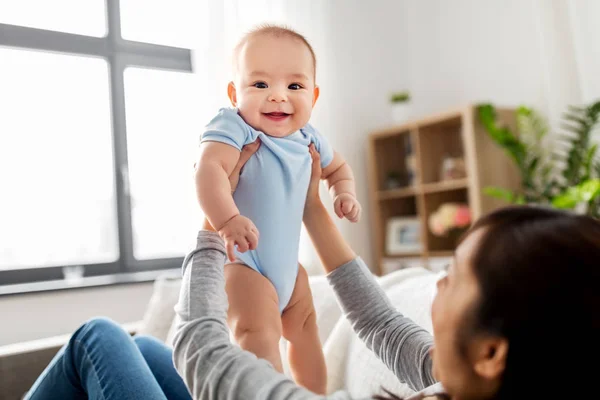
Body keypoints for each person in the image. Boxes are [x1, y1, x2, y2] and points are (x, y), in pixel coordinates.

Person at [26, 143, 600, 399]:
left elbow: (202, 350)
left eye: (455, 275)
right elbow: (379, 322)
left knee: (97, 339)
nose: (439, 281)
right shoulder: (467, 383)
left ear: (492, 351)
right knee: (144, 353)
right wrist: (311, 210)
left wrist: (213, 223)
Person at [194, 24, 361, 393]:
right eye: (260, 85)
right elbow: (208, 172)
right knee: (258, 335)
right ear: (234, 92)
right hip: (245, 264)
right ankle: (268, 393)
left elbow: (338, 168)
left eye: (294, 86)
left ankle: (314, 394)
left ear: (313, 96)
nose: (278, 97)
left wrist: (343, 193)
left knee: (306, 335)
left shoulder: (309, 137)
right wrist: (227, 220)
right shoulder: (234, 125)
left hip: (290, 271)